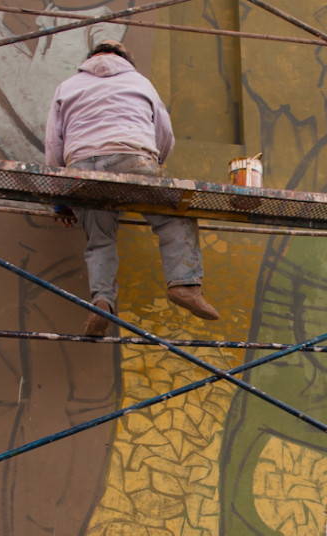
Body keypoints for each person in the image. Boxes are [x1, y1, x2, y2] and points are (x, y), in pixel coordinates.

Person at [45, 40, 219, 336]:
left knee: (99, 240)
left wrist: (60, 202)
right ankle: (184, 284)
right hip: (131, 157)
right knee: (175, 215)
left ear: (91, 58)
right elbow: (164, 136)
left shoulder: (67, 86)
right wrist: (153, 167)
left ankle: (102, 302)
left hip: (81, 167)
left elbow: (53, 144)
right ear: (125, 60)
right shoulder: (139, 81)